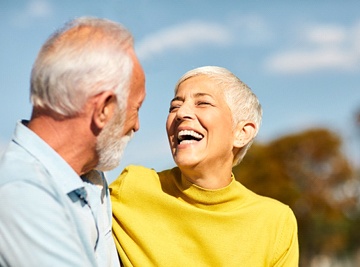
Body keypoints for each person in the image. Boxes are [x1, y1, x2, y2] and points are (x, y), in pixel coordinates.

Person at [110, 66, 298, 266]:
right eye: (174, 106)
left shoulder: (276, 221)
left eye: (202, 103)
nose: (181, 113)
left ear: (242, 132)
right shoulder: (132, 187)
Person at [0, 17, 145, 267]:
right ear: (104, 110)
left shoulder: (90, 176)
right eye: (136, 108)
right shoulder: (23, 194)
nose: (137, 125)